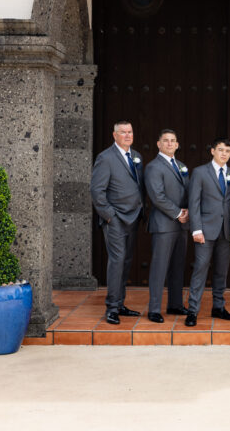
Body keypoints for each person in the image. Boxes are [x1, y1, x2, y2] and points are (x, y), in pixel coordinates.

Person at [90, 119, 145, 325]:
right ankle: (112, 307)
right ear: (115, 135)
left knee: (126, 262)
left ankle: (120, 304)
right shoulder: (106, 158)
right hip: (115, 220)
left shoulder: (136, 156)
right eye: (123, 132)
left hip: (133, 218)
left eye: (130, 132)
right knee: (117, 261)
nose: (128, 135)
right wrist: (109, 216)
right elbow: (97, 191)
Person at [185, 138, 230, 326]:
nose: (224, 153)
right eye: (221, 150)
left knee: (221, 271)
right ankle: (192, 311)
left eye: (228, 151)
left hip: (225, 231)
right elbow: (194, 202)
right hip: (205, 230)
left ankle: (218, 307)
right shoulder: (200, 172)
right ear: (212, 151)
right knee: (200, 269)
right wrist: (196, 229)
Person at [144, 129, 189, 323]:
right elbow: (157, 196)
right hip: (164, 224)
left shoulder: (181, 166)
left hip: (182, 225)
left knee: (177, 267)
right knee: (159, 268)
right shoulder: (154, 167)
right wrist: (178, 213)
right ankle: (154, 309)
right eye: (166, 141)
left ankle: (175, 304)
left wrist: (188, 212)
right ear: (158, 144)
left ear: (178, 144)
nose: (170, 144)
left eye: (173, 141)